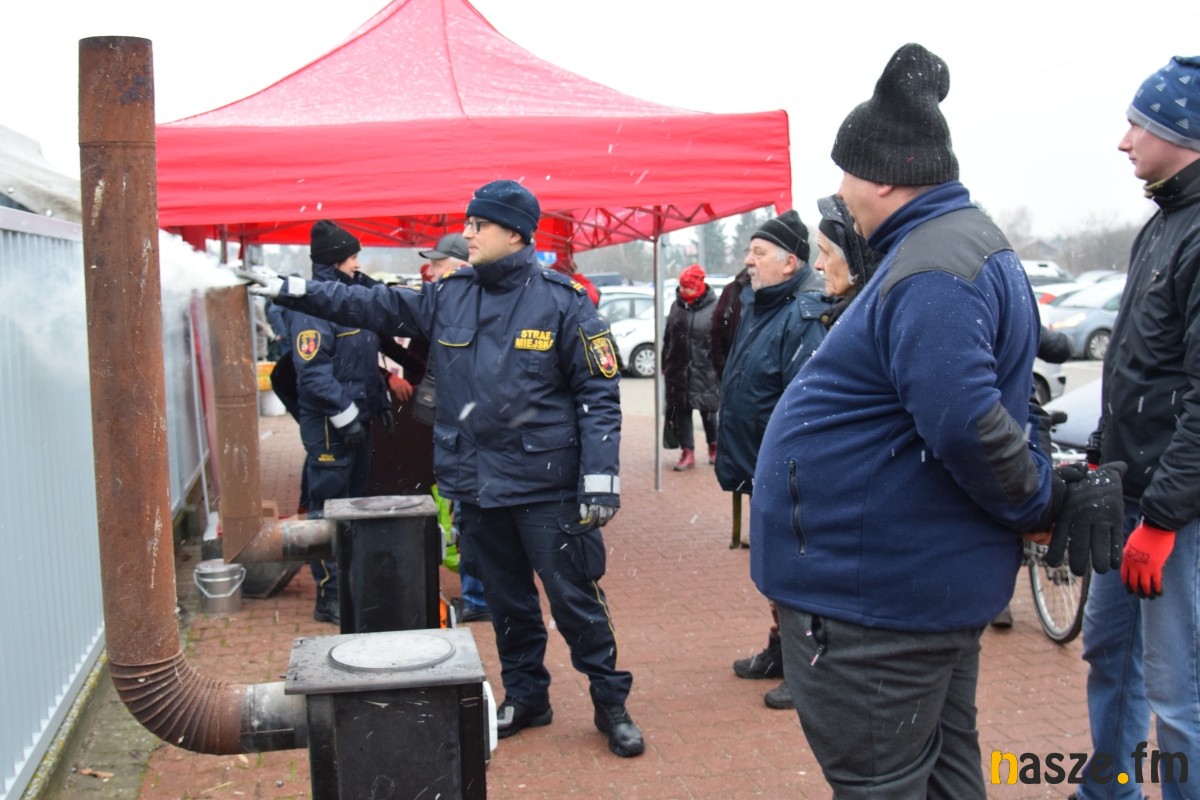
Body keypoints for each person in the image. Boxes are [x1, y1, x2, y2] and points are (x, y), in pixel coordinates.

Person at [749, 43, 1124, 797]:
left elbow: (966, 423)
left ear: (885, 176)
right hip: (904, 590)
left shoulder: (932, 271)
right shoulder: (946, 249)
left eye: (846, 173)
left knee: (882, 781)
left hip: (877, 606)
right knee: (945, 774)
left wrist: (1043, 502)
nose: (841, 192)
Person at [242, 179, 643, 758]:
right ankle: (527, 697)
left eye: (480, 224)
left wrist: (600, 480)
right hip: (478, 486)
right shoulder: (450, 295)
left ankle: (611, 703)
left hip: (546, 486)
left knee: (574, 598)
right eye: (470, 223)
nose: (468, 233)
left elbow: (598, 394)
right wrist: (290, 288)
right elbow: (369, 304)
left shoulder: (562, 300)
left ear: (516, 234)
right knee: (507, 603)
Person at [1073, 55, 1200, 800]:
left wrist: (1162, 518)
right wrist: (1101, 458)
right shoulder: (1161, 224)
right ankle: (1107, 789)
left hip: (1176, 515)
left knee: (1180, 693)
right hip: (1131, 498)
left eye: (1137, 125)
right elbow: (1134, 364)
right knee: (1110, 656)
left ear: (1182, 131)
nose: (1124, 141)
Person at [716, 210, 829, 711]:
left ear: (790, 262)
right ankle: (782, 650)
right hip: (761, 463)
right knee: (773, 566)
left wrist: (788, 468)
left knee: (795, 570)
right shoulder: (760, 303)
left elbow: (805, 405)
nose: (749, 261)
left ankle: (809, 669)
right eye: (750, 251)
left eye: (759, 253)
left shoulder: (803, 313)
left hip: (788, 471)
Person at [289, 220, 393, 625]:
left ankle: (351, 583)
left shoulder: (350, 298)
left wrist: (379, 402)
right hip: (330, 426)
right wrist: (346, 416)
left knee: (353, 506)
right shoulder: (313, 306)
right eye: (352, 257)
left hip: (357, 420)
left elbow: (363, 362)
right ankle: (328, 595)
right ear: (335, 261)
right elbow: (313, 374)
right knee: (327, 511)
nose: (357, 264)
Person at [415, 232, 491, 623]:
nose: (430, 271)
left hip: (473, 436)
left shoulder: (470, 308)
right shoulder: (455, 304)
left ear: (460, 267)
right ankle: (481, 595)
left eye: (437, 264)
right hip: (465, 433)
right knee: (471, 517)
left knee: (474, 520)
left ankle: (481, 599)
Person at [662, 264, 720, 470]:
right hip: (678, 368)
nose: (683, 290)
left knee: (708, 411)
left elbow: (723, 340)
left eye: (687, 287)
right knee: (682, 411)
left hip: (706, 369)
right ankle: (687, 452)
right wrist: (664, 362)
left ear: (698, 286)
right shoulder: (676, 306)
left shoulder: (716, 308)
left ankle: (714, 448)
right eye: (682, 286)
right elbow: (668, 337)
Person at [709, 266, 750, 382]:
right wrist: (724, 372)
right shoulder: (732, 291)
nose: (750, 260)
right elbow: (717, 333)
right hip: (731, 376)